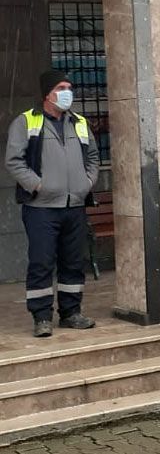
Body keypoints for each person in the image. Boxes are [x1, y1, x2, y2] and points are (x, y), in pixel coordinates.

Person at [4, 70, 99, 338]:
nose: (67, 92)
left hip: (74, 205)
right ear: (47, 93)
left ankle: (71, 313)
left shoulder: (79, 122)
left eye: (69, 87)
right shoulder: (26, 122)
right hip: (41, 208)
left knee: (72, 261)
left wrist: (86, 182)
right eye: (61, 87)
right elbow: (14, 161)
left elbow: (92, 156)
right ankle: (42, 317)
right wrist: (38, 185)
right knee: (42, 262)